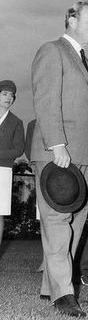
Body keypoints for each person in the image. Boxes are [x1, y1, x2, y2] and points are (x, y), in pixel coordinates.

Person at [31, 1, 88, 318]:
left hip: (85, 156)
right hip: (58, 154)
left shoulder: (87, 64)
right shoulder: (52, 51)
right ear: (71, 19)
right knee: (58, 222)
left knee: (75, 222)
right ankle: (64, 294)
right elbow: (46, 100)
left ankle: (53, 287)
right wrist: (57, 144)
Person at [0, 80, 24, 247]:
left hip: (3, 171)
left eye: (12, 95)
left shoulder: (16, 122)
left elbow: (18, 149)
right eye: (5, 94)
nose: (9, 98)